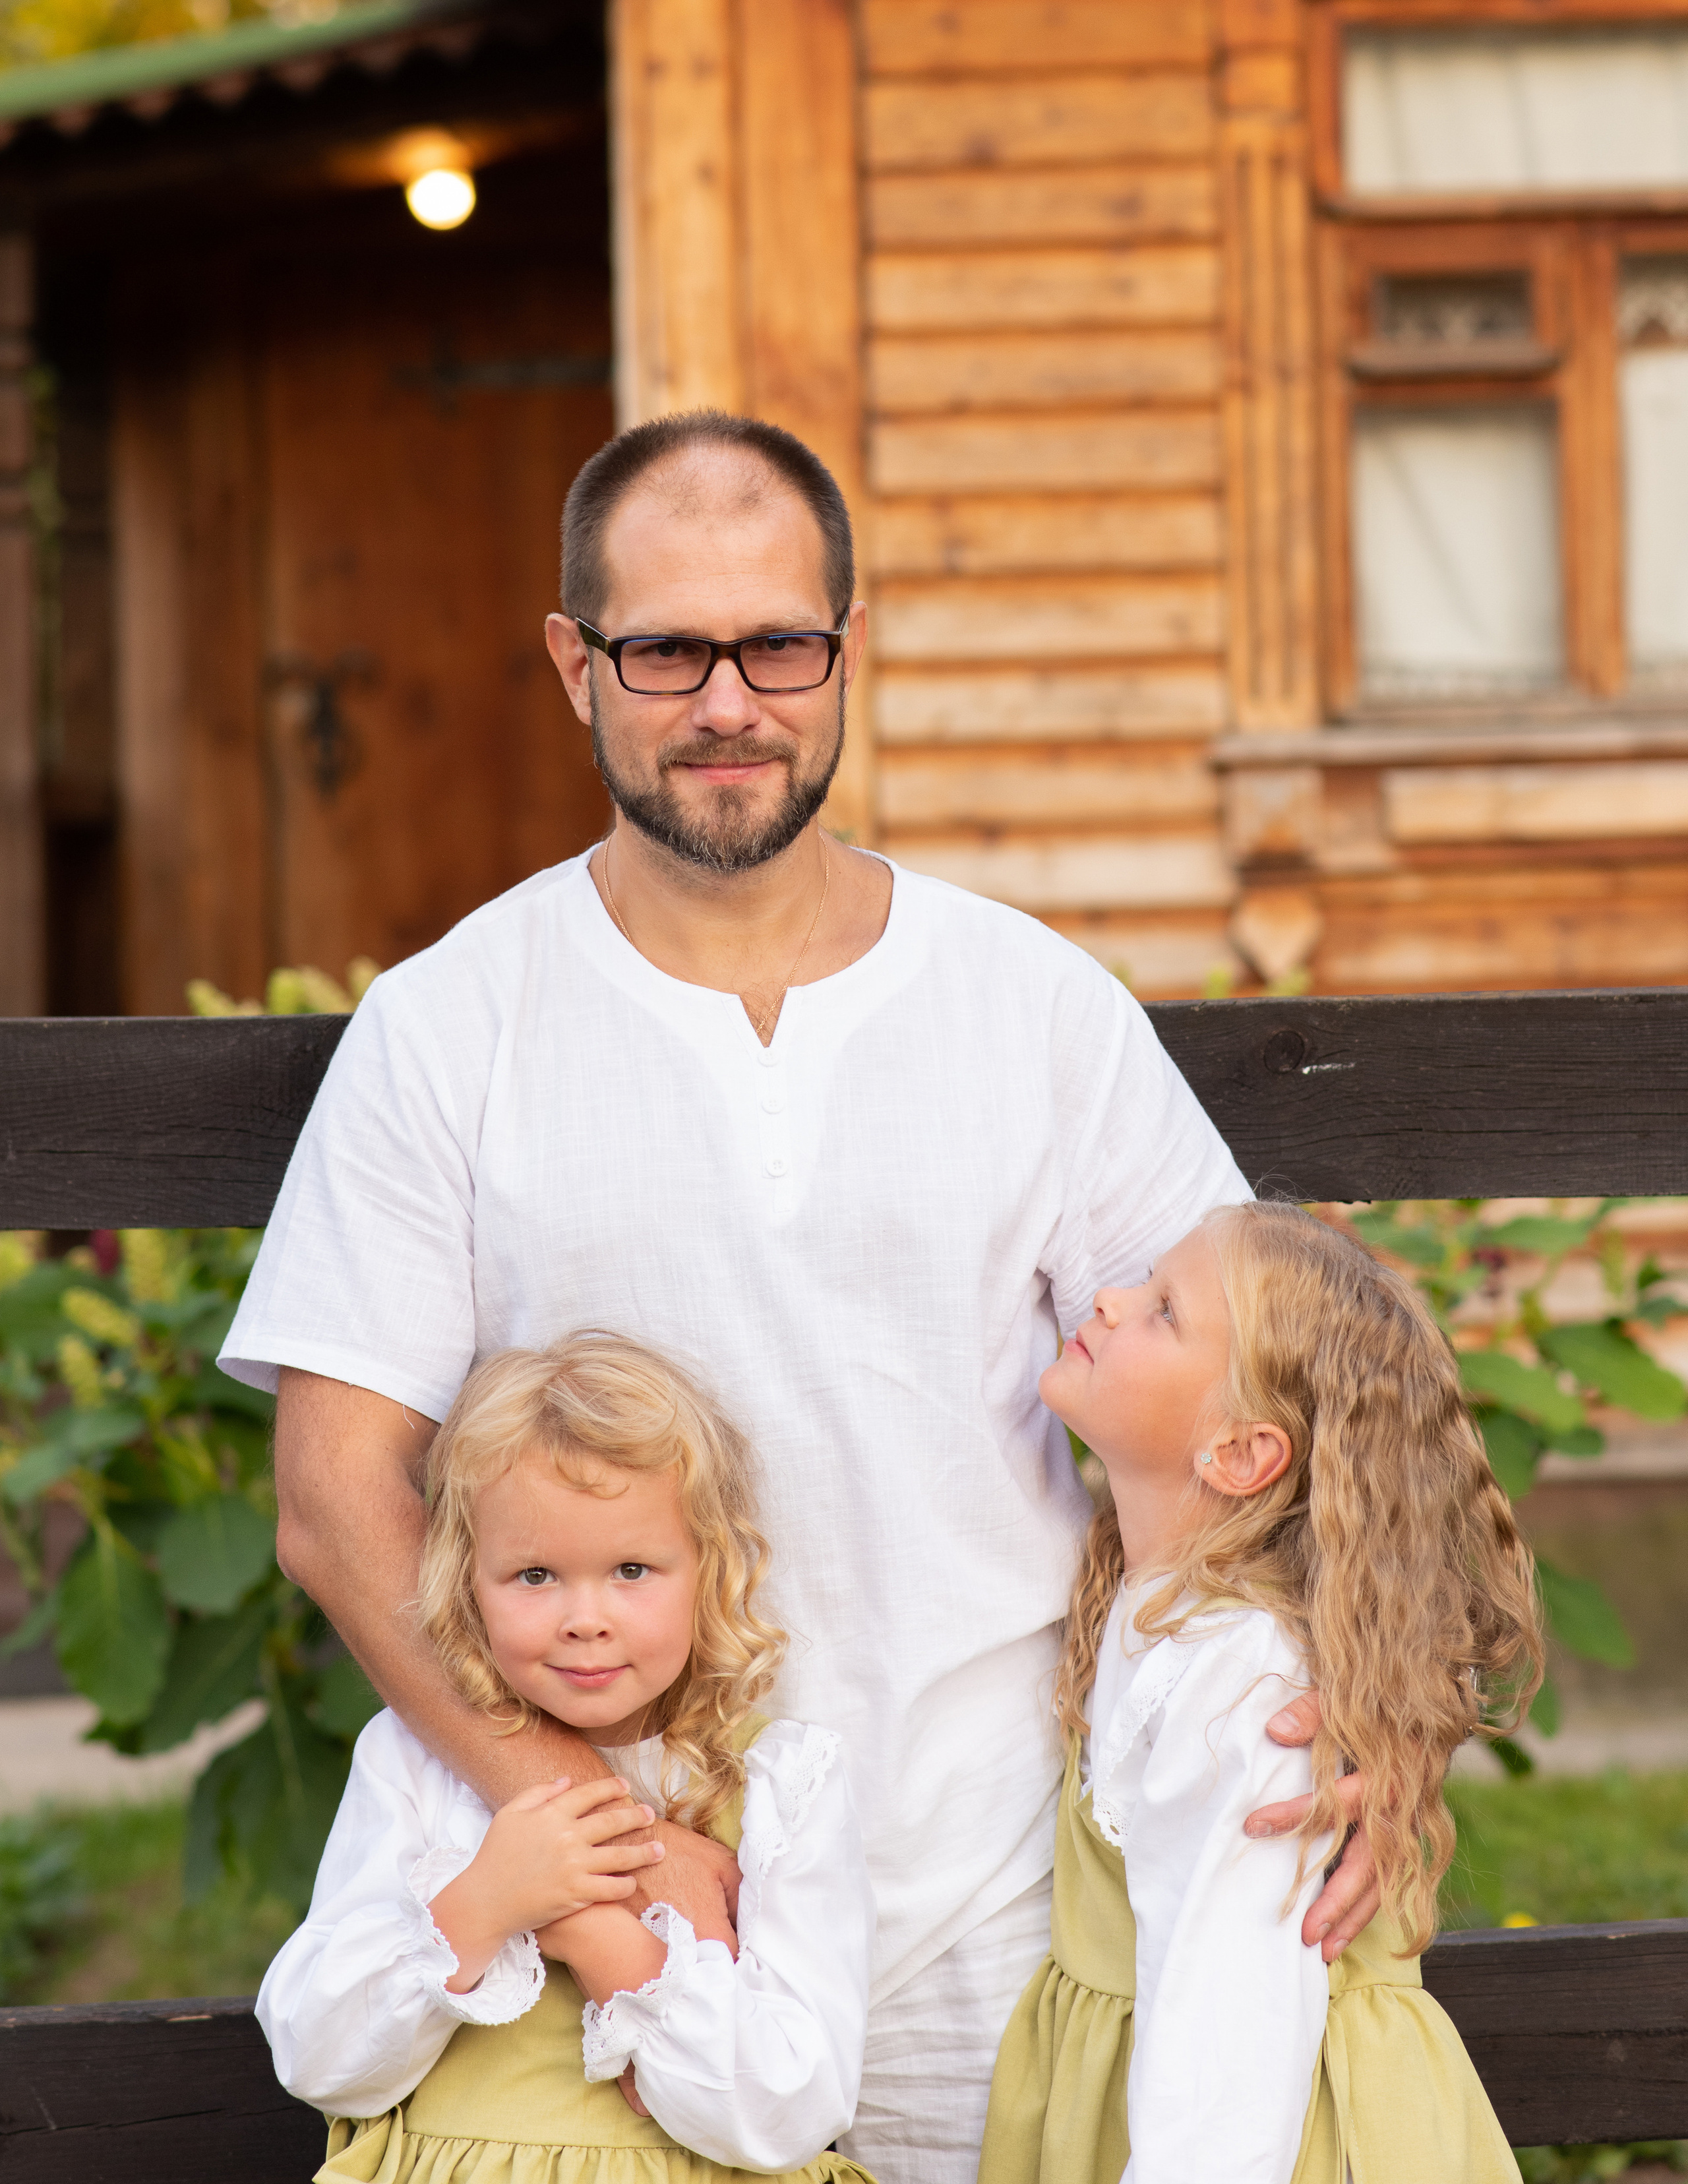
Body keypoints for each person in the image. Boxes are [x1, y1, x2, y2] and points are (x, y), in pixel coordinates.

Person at [222, 410, 1379, 2184]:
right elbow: (330, 1502)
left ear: (850, 650)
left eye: (779, 643)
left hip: (1013, 1908)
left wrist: (1381, 1720)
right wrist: (580, 1820)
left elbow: (1278, 1391)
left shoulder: (1030, 1007)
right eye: (666, 648)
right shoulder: (453, 1027)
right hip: (647, 1973)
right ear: (574, 666)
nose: (728, 700)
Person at [978, 1201, 1543, 2184]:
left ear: (1239, 1452)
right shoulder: (1157, 1604)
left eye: (1161, 1310)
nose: (1106, 1300)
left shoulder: (1245, 1682)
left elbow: (1230, 2027)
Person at [258, 1333, 876, 2184]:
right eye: (535, 1575)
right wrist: (481, 1905)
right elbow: (313, 2051)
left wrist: (593, 1935)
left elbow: (791, 2105)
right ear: (465, 1576)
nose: (585, 1617)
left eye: (631, 1569)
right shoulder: (417, 1767)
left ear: (710, 1567)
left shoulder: (782, 1786)